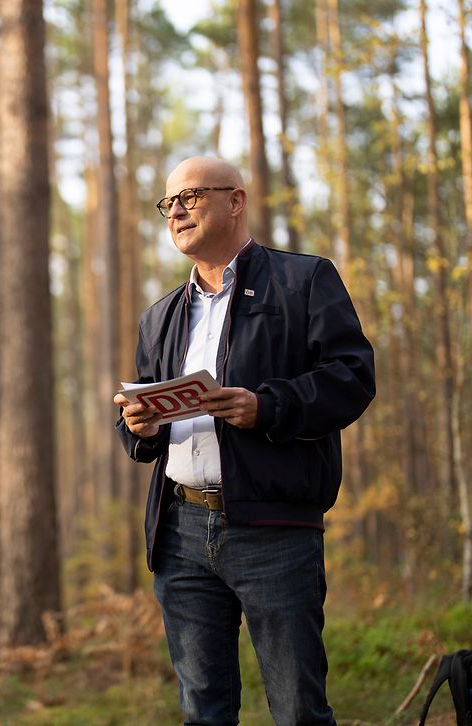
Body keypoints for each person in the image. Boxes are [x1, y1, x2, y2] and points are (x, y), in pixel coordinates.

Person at [114, 156, 375, 724]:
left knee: (298, 708)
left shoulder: (304, 280)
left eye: (191, 196)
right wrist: (140, 428)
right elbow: (140, 431)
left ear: (236, 201)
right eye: (168, 203)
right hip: (179, 533)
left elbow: (352, 378)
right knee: (203, 710)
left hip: (273, 529)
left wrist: (266, 406)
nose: (176, 210)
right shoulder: (159, 317)